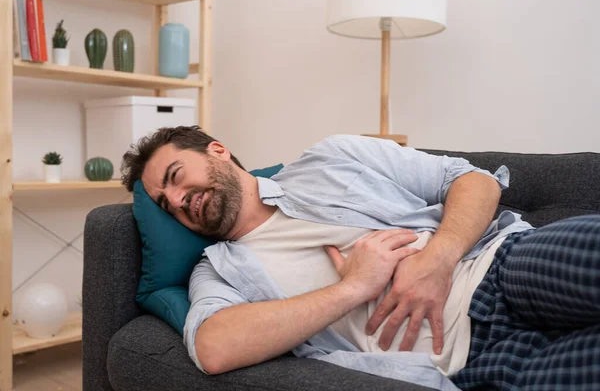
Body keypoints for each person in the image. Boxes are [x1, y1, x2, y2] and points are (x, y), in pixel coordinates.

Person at [121, 126, 599, 391]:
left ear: (218, 151)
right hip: (477, 363)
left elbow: (474, 180)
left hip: (502, 267)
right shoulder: (218, 271)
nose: (179, 199)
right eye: (166, 203)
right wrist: (354, 287)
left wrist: (437, 259)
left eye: (178, 176)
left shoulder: (331, 157)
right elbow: (213, 348)